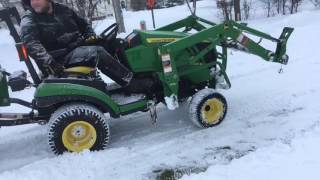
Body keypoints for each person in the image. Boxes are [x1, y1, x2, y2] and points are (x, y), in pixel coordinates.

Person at [20, 0, 153, 93]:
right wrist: (50, 62)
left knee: (115, 43)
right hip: (58, 58)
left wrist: (90, 36)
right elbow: (31, 44)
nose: (34, 3)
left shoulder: (64, 10)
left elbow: (84, 26)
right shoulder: (30, 19)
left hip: (76, 48)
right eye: (31, 0)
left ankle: (136, 74)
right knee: (97, 52)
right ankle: (130, 83)